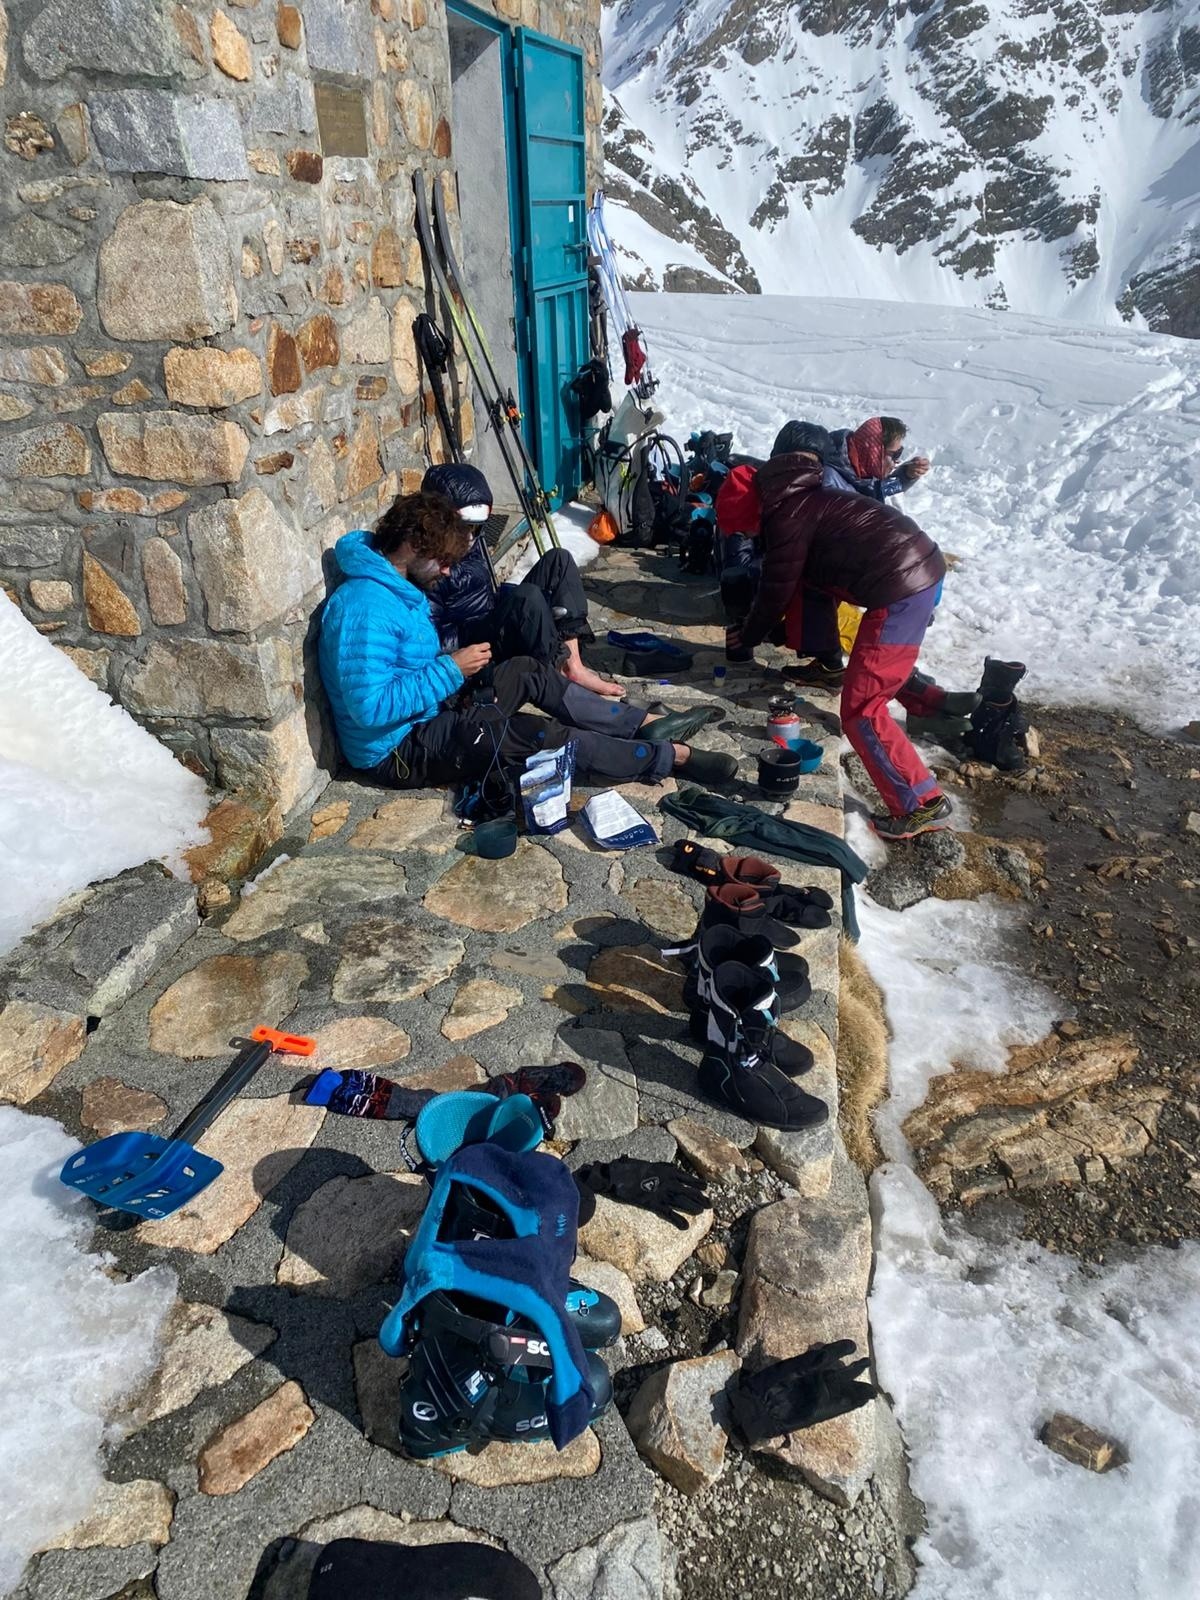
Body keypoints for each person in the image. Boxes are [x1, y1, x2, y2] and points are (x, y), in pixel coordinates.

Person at [318, 491, 736, 792]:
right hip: (397, 752)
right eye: (442, 561)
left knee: (528, 671)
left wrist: (453, 678)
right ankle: (669, 757)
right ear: (412, 546)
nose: (446, 572)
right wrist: (450, 670)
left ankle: (640, 725)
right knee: (531, 733)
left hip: (427, 716)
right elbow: (369, 708)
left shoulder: (394, 587)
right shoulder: (365, 609)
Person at [728, 420, 953, 842]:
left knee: (862, 708)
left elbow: (776, 590)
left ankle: (919, 802)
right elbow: (797, 584)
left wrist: (750, 634)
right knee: (816, 592)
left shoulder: (789, 510)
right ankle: (857, 675)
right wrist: (777, 633)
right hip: (912, 572)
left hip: (902, 588)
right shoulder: (807, 496)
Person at [422, 462, 622, 698]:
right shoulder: (426, 562)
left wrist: (499, 605)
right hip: (475, 647)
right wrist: (491, 621)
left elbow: (480, 592)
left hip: (489, 619)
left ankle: (574, 666)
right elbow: (431, 639)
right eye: (463, 527)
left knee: (558, 560)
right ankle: (556, 672)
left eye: (475, 527)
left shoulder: (472, 540)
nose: (469, 535)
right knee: (528, 599)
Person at [826, 416, 930, 502]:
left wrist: (906, 475)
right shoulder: (830, 483)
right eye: (895, 454)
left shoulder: (861, 473)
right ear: (873, 451)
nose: (897, 460)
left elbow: (877, 490)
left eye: (899, 452)